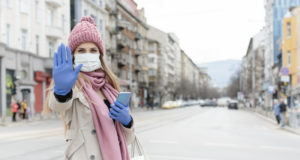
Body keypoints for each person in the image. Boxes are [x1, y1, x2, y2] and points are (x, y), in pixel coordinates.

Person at [42, 16, 135, 160]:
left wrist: (127, 121)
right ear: (73, 55)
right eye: (81, 50)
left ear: (100, 55)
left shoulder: (110, 88)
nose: (88, 54)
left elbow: (127, 140)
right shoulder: (69, 83)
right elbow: (57, 106)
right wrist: (61, 91)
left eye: (93, 50)